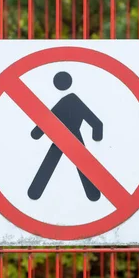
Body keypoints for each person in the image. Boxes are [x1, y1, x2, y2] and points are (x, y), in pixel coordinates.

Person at [28, 71, 103, 201]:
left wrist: (36, 134)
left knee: (50, 162)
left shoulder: (67, 101)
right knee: (81, 164)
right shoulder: (72, 101)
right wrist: (96, 135)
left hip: (62, 136)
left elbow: (47, 119)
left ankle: (34, 193)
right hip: (68, 137)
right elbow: (96, 123)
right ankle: (94, 194)